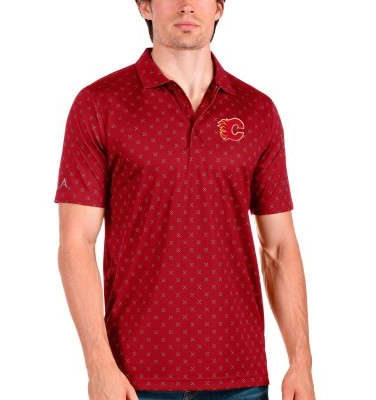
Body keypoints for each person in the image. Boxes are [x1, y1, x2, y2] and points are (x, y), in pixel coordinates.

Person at [54, 1, 316, 399]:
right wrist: (99, 365)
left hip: (240, 375)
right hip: (133, 378)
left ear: (219, 8)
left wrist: (301, 362)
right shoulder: (100, 104)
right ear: (145, 6)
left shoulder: (258, 110)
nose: (187, 5)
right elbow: (76, 242)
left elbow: (279, 246)